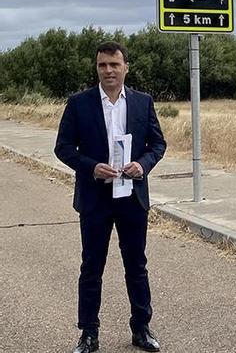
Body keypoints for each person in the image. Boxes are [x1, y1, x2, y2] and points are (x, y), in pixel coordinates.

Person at [54, 42, 167, 353]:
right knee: (91, 267)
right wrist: (92, 168)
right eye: (103, 65)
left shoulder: (143, 102)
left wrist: (142, 165)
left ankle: (141, 328)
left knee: (137, 265)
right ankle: (88, 333)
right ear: (97, 69)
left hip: (132, 197)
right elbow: (62, 148)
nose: (109, 71)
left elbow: (158, 144)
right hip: (95, 199)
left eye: (114, 65)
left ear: (125, 67)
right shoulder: (79, 103)